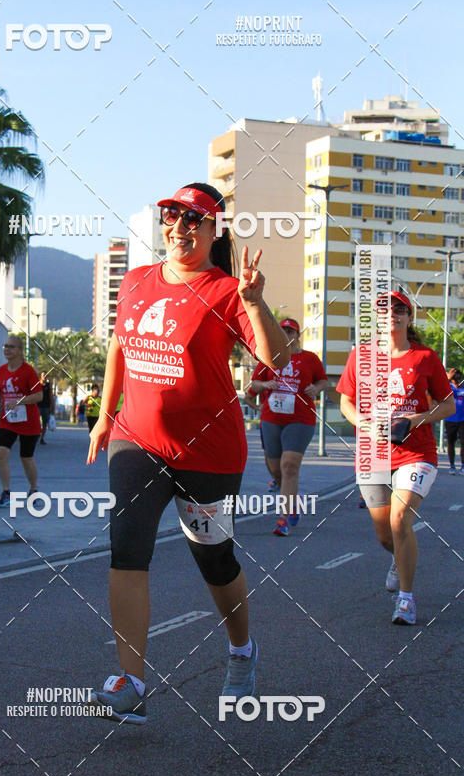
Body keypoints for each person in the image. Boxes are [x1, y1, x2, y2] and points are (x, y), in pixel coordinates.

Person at [86, 181, 289, 724]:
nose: (179, 227)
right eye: (171, 216)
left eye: (193, 219)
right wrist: (106, 414)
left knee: (214, 559)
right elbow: (119, 348)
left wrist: (254, 301)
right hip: (138, 441)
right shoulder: (135, 281)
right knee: (126, 546)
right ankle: (131, 682)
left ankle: (241, 652)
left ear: (215, 229)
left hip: (208, 453)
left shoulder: (227, 290)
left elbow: (272, 360)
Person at [336, 291, 454, 625]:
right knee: (386, 534)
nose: (393, 315)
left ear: (409, 317)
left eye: (400, 310)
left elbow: (448, 405)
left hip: (417, 452)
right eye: (386, 310)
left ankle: (406, 600)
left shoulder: (424, 357)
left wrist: (416, 419)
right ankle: (397, 558)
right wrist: (365, 424)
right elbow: (345, 402)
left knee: (400, 519)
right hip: (373, 454)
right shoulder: (361, 356)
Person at [247, 318, 328, 536]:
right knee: (276, 469)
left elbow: (323, 381)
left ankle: (282, 519)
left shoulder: (310, 358)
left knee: (289, 465)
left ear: (297, 335)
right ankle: (293, 499)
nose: (286, 335)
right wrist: (265, 384)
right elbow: (253, 385)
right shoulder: (269, 356)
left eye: (290, 332)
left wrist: (315, 388)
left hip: (300, 419)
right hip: (272, 419)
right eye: (282, 331)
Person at [0, 335, 43, 508]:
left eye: (11, 347)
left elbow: (39, 395)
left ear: (20, 350)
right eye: (5, 346)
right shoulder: (1, 371)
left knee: (26, 458)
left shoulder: (28, 371)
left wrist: (19, 402)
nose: (7, 349)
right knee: (1, 452)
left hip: (28, 422)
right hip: (8, 420)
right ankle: (6, 492)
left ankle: (34, 489)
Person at [445, 368, 464, 474]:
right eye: (454, 378)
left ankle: (463, 465)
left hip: (463, 420)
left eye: (458, 377)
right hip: (450, 419)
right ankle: (451, 465)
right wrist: (448, 379)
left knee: (463, 442)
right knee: (451, 442)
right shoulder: (449, 387)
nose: (456, 380)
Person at [38, 371, 55, 444]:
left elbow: (51, 396)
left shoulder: (48, 385)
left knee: (44, 423)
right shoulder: (37, 385)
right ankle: (36, 434)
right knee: (36, 422)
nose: (44, 377)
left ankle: (42, 438)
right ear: (41, 376)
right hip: (38, 406)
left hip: (46, 407)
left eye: (46, 375)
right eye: (43, 375)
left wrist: (52, 406)